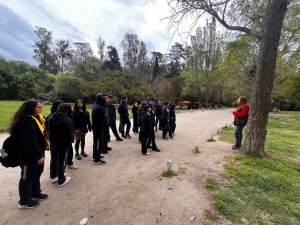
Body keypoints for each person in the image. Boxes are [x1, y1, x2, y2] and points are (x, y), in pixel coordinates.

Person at [9, 100, 48, 209]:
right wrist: (38, 156)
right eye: (38, 107)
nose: (40, 109)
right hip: (28, 156)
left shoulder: (35, 119)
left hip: (37, 153)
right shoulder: (26, 121)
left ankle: (35, 192)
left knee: (37, 173)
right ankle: (24, 201)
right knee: (27, 177)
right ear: (31, 108)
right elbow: (29, 141)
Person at [48, 103, 74, 186]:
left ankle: (53, 176)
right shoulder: (67, 119)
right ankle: (61, 179)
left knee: (54, 159)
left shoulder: (51, 117)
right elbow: (70, 133)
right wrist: (70, 142)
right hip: (63, 143)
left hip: (53, 142)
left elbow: (48, 129)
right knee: (61, 161)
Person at [92, 93, 107, 164]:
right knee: (100, 142)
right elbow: (101, 119)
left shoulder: (96, 105)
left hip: (96, 128)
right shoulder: (99, 108)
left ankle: (96, 155)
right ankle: (96, 159)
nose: (105, 99)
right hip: (99, 128)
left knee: (96, 142)